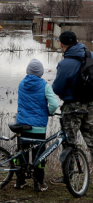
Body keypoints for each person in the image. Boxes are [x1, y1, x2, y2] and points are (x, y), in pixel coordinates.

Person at [51, 30, 93, 186]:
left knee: (70, 143)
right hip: (90, 105)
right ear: (77, 41)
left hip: (72, 108)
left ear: (62, 45)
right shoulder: (91, 56)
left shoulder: (64, 63)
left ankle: (68, 176)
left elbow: (57, 88)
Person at [15, 59, 59, 192]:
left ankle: (20, 182)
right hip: (38, 128)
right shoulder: (44, 85)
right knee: (39, 156)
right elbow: (55, 104)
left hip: (22, 126)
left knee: (22, 153)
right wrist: (50, 113)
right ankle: (38, 183)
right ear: (40, 73)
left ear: (28, 71)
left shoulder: (22, 84)